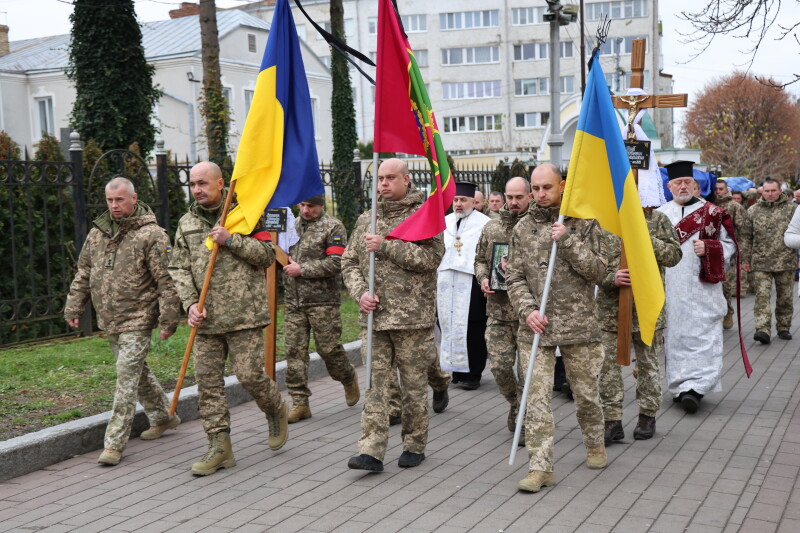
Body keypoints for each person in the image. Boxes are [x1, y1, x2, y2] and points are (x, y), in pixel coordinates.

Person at [168, 161, 288, 476]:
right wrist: (190, 303)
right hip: (205, 320)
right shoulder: (187, 223)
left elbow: (266, 255)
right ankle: (220, 446)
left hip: (243, 315)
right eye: (193, 184)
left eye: (203, 184)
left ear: (221, 183)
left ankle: (275, 407)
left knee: (250, 376)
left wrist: (231, 239)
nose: (197, 190)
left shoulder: (245, 216)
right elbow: (178, 268)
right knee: (207, 385)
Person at [64, 177, 181, 466]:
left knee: (125, 378)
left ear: (134, 198)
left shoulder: (152, 235)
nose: (114, 205)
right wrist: (73, 306)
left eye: (119, 200)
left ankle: (114, 444)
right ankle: (163, 417)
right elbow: (84, 272)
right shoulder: (98, 232)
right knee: (136, 372)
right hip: (110, 318)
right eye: (109, 200)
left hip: (139, 317)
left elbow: (167, 281)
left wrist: (169, 320)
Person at [506, 163, 608, 493]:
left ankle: (594, 441)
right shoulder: (523, 228)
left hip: (578, 326)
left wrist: (567, 241)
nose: (540, 195)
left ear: (562, 185)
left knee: (586, 393)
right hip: (537, 328)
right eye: (535, 189)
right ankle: (540, 466)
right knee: (535, 399)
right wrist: (528, 310)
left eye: (546, 188)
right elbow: (514, 276)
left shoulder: (586, 222)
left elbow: (599, 271)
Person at [342, 158, 444, 471]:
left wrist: (386, 247)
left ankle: (414, 443)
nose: (383, 184)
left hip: (412, 319)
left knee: (413, 387)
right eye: (380, 179)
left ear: (406, 179)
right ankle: (371, 449)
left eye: (390, 178)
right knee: (376, 386)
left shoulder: (425, 215)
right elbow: (349, 262)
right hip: (375, 319)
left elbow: (431, 258)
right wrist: (360, 294)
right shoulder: (365, 220)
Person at [597, 206, 682, 444]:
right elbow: (591, 264)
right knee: (607, 368)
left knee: (647, 365)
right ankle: (611, 419)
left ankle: (647, 415)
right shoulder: (603, 220)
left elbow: (674, 256)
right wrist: (609, 277)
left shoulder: (658, 219)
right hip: (609, 310)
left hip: (647, 307)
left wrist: (645, 237)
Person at [657, 161, 736, 414]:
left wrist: (711, 248)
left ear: (695, 185)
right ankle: (680, 387)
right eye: (677, 183)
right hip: (672, 290)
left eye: (687, 182)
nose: (682, 186)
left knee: (703, 336)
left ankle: (697, 388)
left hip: (703, 290)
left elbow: (732, 246)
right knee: (676, 337)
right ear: (669, 186)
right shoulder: (659, 214)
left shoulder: (712, 213)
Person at [283, 194, 359, 423]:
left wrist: (302, 269)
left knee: (328, 350)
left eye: (311, 206)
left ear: (321, 205)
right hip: (293, 301)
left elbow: (336, 263)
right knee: (294, 352)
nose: (306, 210)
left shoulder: (332, 227)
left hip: (322, 302)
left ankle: (347, 377)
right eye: (303, 205)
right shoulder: (291, 226)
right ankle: (299, 402)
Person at [474, 176, 531, 436]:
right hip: (497, 310)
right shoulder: (492, 228)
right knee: (499, 367)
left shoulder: (539, 227)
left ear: (529, 196)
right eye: (510, 197)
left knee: (527, 373)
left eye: (519, 197)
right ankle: (514, 403)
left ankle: (524, 419)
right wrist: (483, 278)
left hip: (528, 315)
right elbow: (480, 260)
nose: (514, 202)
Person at [438, 181, 490, 389]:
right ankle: (456, 371)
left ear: (473, 202)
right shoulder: (445, 221)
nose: (459, 204)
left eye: (463, 200)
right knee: (448, 325)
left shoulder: (484, 223)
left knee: (473, 328)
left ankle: (473, 374)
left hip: (471, 283)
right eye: (456, 200)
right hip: (446, 282)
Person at [741, 178, 797, 344]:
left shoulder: (792, 209)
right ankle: (762, 329)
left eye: (773, 191)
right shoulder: (753, 210)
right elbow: (746, 237)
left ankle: (783, 327)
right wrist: (745, 259)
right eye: (767, 191)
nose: (770, 194)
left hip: (785, 260)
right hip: (760, 261)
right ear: (761, 192)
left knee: (785, 297)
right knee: (762, 297)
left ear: (780, 191)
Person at [715, 179, 747, 329]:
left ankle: (728, 313)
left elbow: (742, 230)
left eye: (721, 189)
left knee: (726, 286)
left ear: (727, 189)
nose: (718, 192)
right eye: (716, 189)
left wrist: (741, 250)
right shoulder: (709, 204)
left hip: (729, 252)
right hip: (712, 250)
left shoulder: (734, 207)